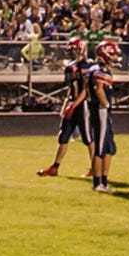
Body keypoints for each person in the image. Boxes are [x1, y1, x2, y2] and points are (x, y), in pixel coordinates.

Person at [37, 44, 88, 178]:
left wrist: (73, 105)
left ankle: (95, 167)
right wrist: (67, 102)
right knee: (63, 136)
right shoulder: (70, 67)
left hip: (84, 105)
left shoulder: (87, 66)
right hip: (73, 102)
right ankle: (55, 166)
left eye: (73, 50)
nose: (71, 52)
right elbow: (72, 87)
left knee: (88, 138)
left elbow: (85, 90)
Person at [80, 34, 118, 192]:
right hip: (100, 110)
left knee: (109, 147)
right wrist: (106, 103)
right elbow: (98, 89)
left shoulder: (92, 70)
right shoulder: (101, 71)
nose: (115, 57)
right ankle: (97, 183)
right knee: (100, 148)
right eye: (113, 53)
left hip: (95, 109)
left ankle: (103, 180)